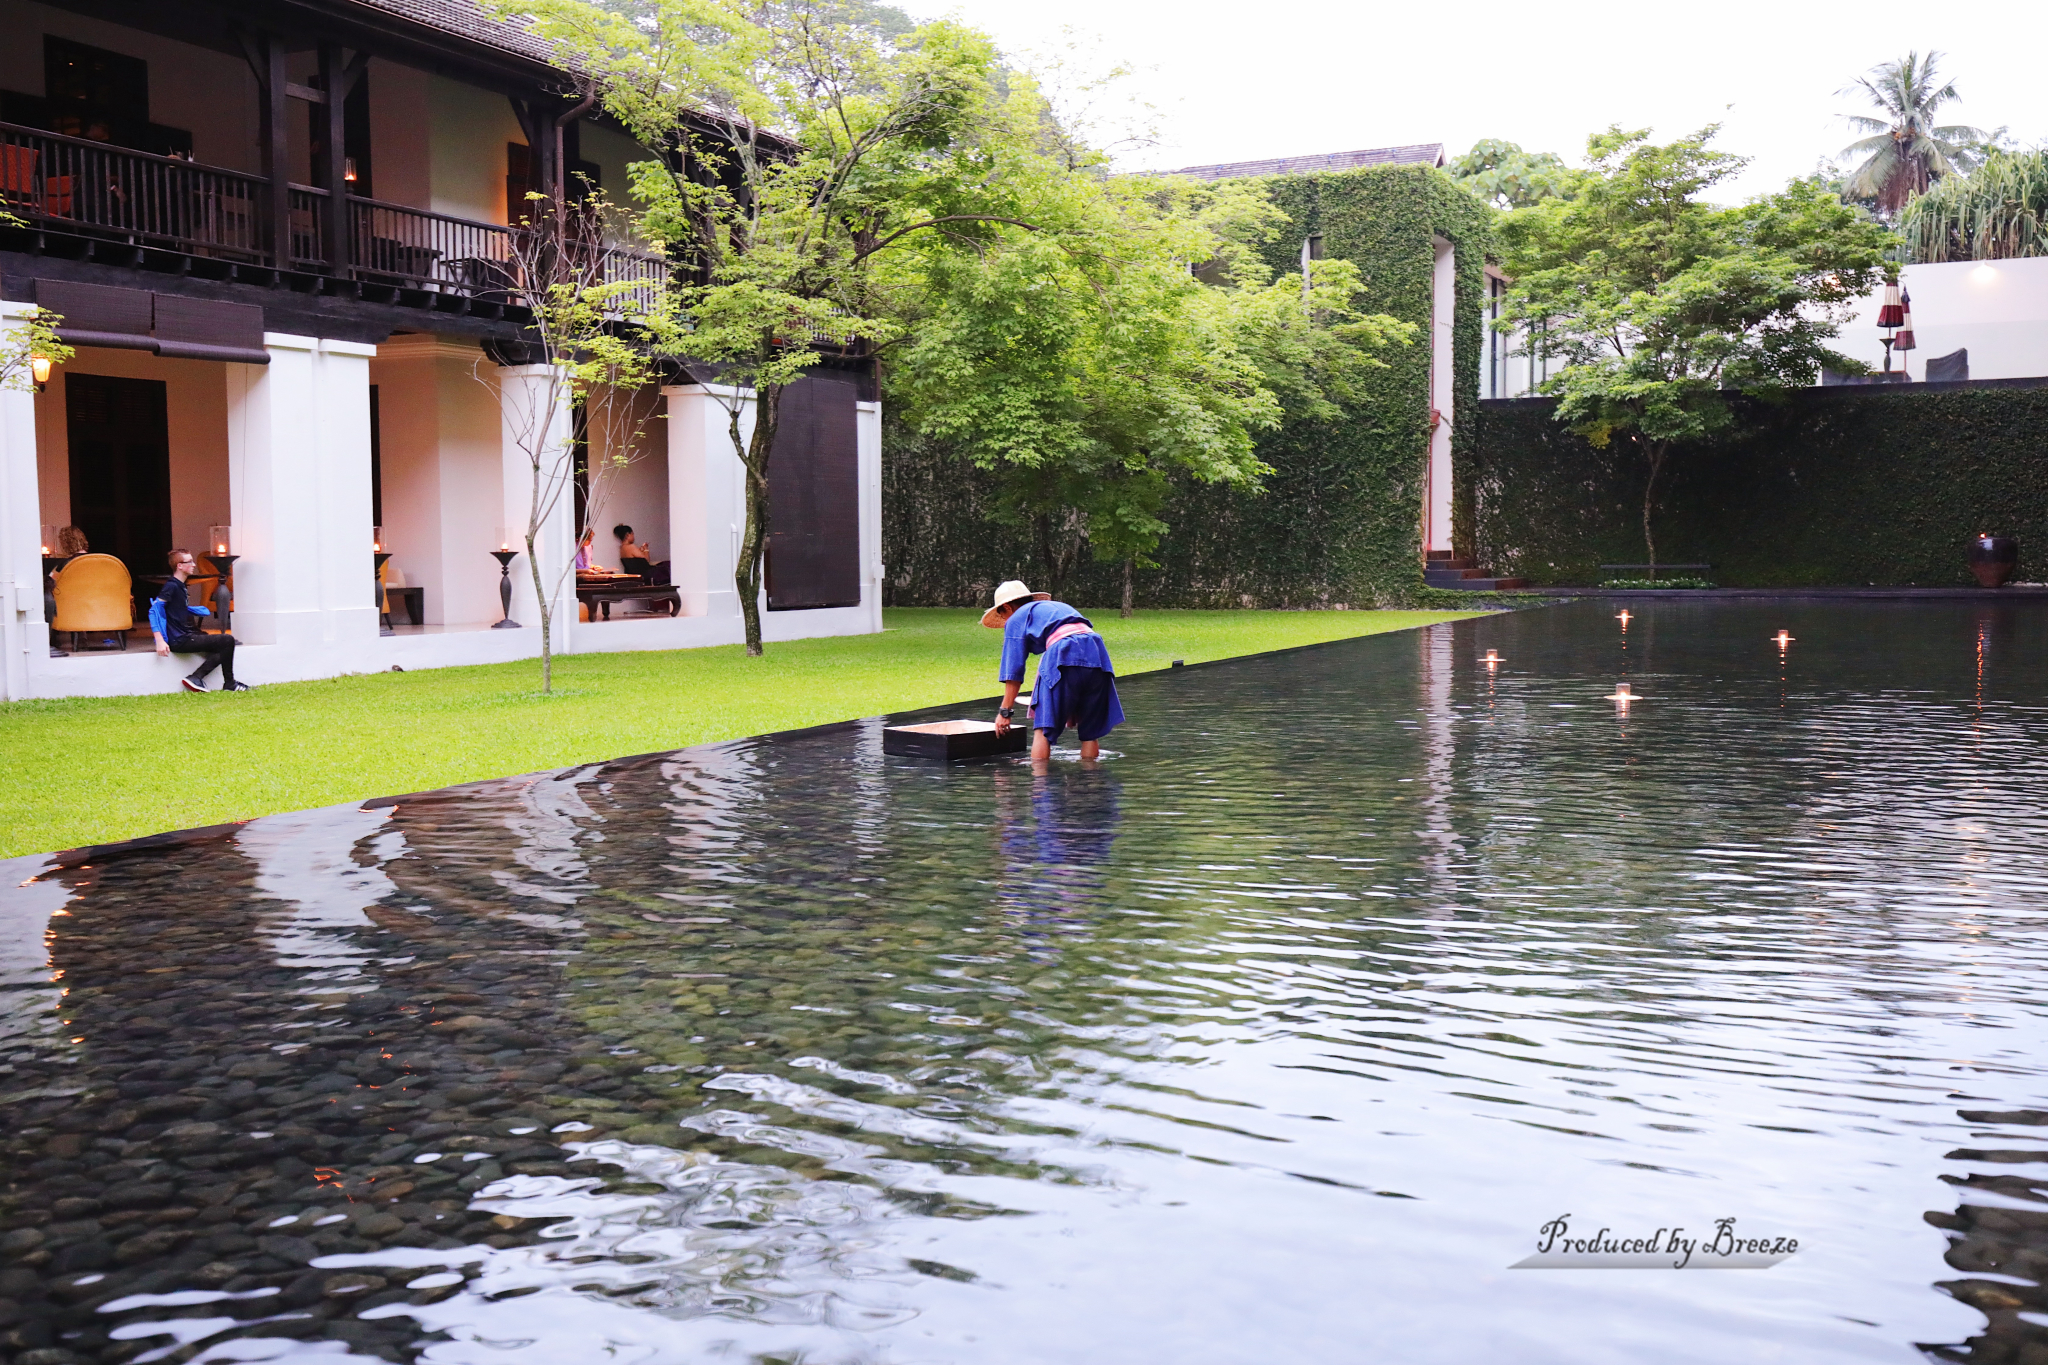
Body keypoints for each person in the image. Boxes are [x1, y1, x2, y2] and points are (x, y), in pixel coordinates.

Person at [985, 579, 1124, 762]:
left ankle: (1040, 784)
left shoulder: (1017, 619)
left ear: (1008, 608)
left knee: (1042, 728)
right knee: (1090, 731)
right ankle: (1092, 782)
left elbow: (1013, 672)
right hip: (1097, 653)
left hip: (1063, 652)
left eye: (1003, 616)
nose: (1005, 622)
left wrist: (1005, 712)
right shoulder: (1056, 608)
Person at [150, 549, 250, 692]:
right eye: (189, 561)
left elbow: (173, 609)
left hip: (187, 635)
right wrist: (159, 640)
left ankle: (198, 678)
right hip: (180, 639)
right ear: (179, 566)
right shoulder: (171, 586)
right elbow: (154, 610)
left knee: (224, 647)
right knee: (226, 640)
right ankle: (227, 683)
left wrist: (190, 610)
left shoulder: (180, 585)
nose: (194, 564)